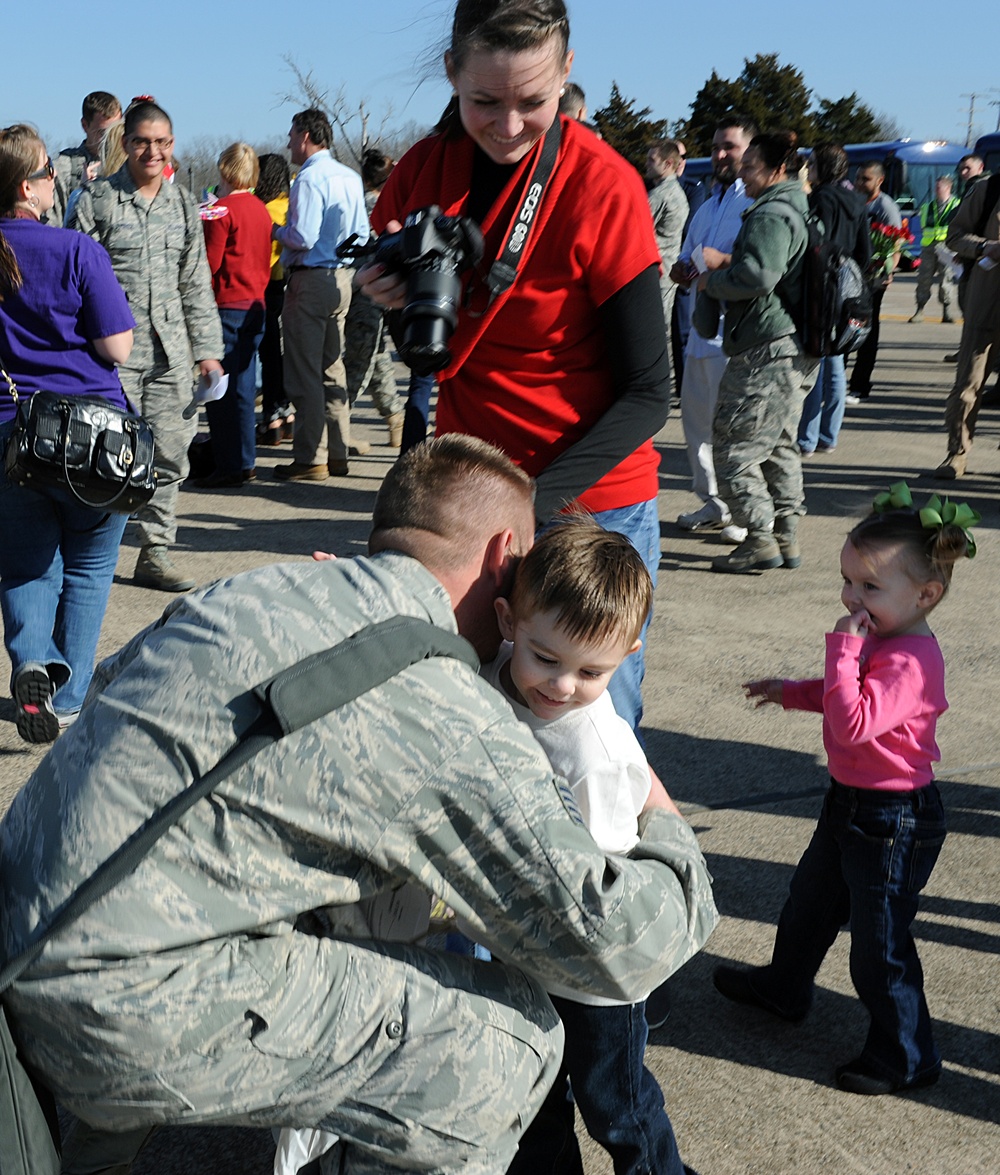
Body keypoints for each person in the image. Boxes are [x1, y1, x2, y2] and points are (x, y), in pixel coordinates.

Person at [0, 433, 716, 1175]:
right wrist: (663, 820)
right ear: (505, 554)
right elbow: (612, 942)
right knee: (515, 1035)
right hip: (114, 1018)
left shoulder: (242, 591)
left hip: (19, 948)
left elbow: (113, 696)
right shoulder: (442, 704)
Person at [363, 0, 671, 732]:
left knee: (586, 729)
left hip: (592, 501)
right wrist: (390, 300)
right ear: (451, 74)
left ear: (567, 72)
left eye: (534, 102)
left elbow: (650, 392)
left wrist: (532, 506)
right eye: (483, 102)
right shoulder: (420, 172)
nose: (507, 126)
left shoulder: (604, 185)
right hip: (478, 502)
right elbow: (432, 353)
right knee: (471, 718)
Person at [714, 483, 977, 1096]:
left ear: (925, 594)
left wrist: (842, 645)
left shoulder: (911, 660)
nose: (850, 597)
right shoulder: (884, 639)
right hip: (851, 805)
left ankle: (908, 1055)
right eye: (848, 580)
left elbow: (852, 719)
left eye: (868, 587)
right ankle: (784, 988)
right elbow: (842, 695)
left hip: (894, 820)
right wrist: (791, 691)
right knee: (808, 903)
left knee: (879, 947)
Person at [489, 518, 709, 1175]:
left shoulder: (597, 751)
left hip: (595, 974)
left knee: (616, 1101)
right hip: (527, 949)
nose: (560, 685)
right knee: (532, 1093)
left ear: (628, 655)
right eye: (546, 657)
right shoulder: (488, 672)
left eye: (591, 671)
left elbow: (602, 892)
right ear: (507, 622)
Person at [0, 124, 135, 742]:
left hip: (13, 433)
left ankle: (32, 660)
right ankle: (69, 695)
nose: (58, 180)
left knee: (27, 564)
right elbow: (119, 347)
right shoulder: (79, 251)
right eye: (50, 172)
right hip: (94, 438)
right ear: (29, 187)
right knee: (87, 567)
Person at [69, 98, 224, 592]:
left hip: (172, 354)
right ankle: (95, 548)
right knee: (108, 453)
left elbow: (195, 281)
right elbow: (77, 282)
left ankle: (156, 551)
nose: (151, 152)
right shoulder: (98, 200)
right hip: (114, 354)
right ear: (126, 144)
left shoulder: (182, 204)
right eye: (141, 142)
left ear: (171, 146)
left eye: (160, 143)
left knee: (172, 452)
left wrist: (207, 350)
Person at [695, 130, 818, 574]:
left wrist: (711, 281)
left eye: (750, 166)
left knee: (733, 448)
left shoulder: (769, 213)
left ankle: (760, 538)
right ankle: (786, 535)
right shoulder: (798, 207)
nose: (742, 174)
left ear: (777, 169)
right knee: (781, 445)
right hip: (793, 347)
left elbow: (761, 276)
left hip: (765, 348)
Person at [271, 108, 370, 482]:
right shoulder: (349, 176)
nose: (289, 142)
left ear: (307, 136)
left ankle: (311, 457)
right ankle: (338, 451)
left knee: (304, 373)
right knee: (332, 369)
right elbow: (360, 234)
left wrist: (276, 231)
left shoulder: (309, 179)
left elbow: (303, 237)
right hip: (341, 279)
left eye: (292, 135)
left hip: (310, 279)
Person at [670, 116, 755, 543]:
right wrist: (682, 269)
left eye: (731, 147)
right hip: (702, 331)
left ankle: (745, 512)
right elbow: (689, 258)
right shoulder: (706, 205)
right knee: (697, 425)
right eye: (718, 146)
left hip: (738, 335)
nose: (722, 155)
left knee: (735, 428)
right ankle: (713, 502)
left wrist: (711, 264)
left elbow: (750, 267)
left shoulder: (753, 204)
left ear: (749, 151)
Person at [195, 142, 274, 489]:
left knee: (220, 391)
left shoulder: (219, 211)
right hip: (256, 304)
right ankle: (246, 461)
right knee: (243, 388)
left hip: (226, 305)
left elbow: (209, 265)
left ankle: (227, 465)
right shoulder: (262, 209)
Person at [796, 145, 872, 456]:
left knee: (815, 361)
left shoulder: (820, 198)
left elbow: (815, 243)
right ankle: (829, 435)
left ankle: (807, 439)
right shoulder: (857, 200)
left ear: (823, 167)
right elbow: (865, 251)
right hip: (849, 287)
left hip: (821, 286)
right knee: (837, 360)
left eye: (813, 163)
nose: (809, 168)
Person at [930, 171, 1000, 479]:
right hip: (986, 301)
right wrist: (986, 247)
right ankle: (957, 453)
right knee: (969, 383)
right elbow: (955, 235)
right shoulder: (988, 189)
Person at [343, 149, 404, 451]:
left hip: (360, 292)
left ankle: (339, 424)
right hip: (385, 292)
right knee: (377, 357)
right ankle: (395, 418)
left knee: (358, 360)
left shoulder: (356, 204)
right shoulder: (392, 207)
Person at [847, 161, 902, 403]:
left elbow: (896, 244)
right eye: (858, 177)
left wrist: (887, 271)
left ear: (879, 181)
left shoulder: (886, 207)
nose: (859, 183)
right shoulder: (854, 201)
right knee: (846, 326)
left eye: (865, 179)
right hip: (851, 275)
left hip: (873, 279)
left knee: (867, 332)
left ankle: (860, 385)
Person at [254, 153, 294, 445]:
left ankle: (271, 416)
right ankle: (285, 413)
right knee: (277, 352)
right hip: (282, 283)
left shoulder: (264, 210)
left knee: (267, 354)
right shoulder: (289, 206)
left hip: (262, 282)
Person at [44, 90, 122, 226]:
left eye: (115, 131)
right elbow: (50, 226)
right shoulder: (62, 169)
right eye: (102, 133)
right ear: (85, 125)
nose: (109, 139)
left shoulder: (129, 166)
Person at [646, 139, 689, 353]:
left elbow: (635, 228)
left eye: (652, 160)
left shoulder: (660, 195)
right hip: (669, 269)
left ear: (668, 164)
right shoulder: (677, 192)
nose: (646, 164)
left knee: (654, 335)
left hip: (658, 272)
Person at [909, 174, 960, 324]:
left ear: (948, 187)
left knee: (946, 279)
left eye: (939, 187)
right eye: (936, 187)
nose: (936, 190)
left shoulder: (957, 205)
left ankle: (946, 311)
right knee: (924, 278)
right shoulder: (928, 206)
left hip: (948, 246)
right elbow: (925, 225)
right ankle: (919, 310)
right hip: (929, 247)